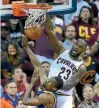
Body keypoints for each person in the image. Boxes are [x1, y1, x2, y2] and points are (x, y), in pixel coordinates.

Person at [43, 15, 87, 108]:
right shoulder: (61, 50)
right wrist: (46, 16)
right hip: (48, 89)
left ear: (83, 51)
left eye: (80, 47)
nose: (77, 47)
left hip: (64, 95)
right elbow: (50, 33)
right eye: (76, 44)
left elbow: (69, 85)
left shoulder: (82, 67)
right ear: (73, 44)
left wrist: (53, 85)